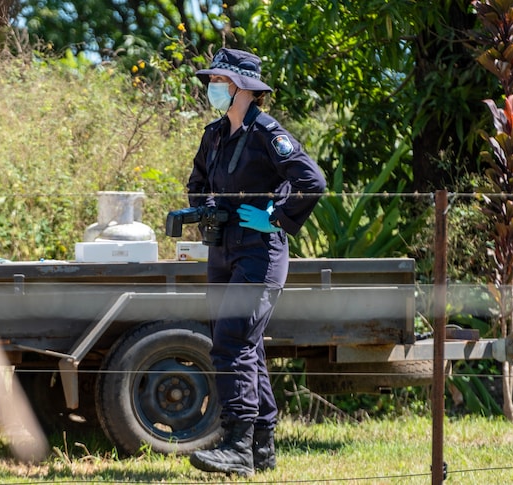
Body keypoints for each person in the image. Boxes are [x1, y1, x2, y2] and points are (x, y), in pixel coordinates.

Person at [185, 48, 326, 476]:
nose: (213, 88)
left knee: (232, 340)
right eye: (212, 81)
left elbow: (312, 181)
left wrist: (275, 217)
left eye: (221, 82)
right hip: (223, 247)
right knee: (243, 345)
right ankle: (262, 447)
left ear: (244, 89)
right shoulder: (213, 135)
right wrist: (209, 207)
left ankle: (237, 445)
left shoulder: (268, 133)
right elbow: (197, 183)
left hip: (260, 252)